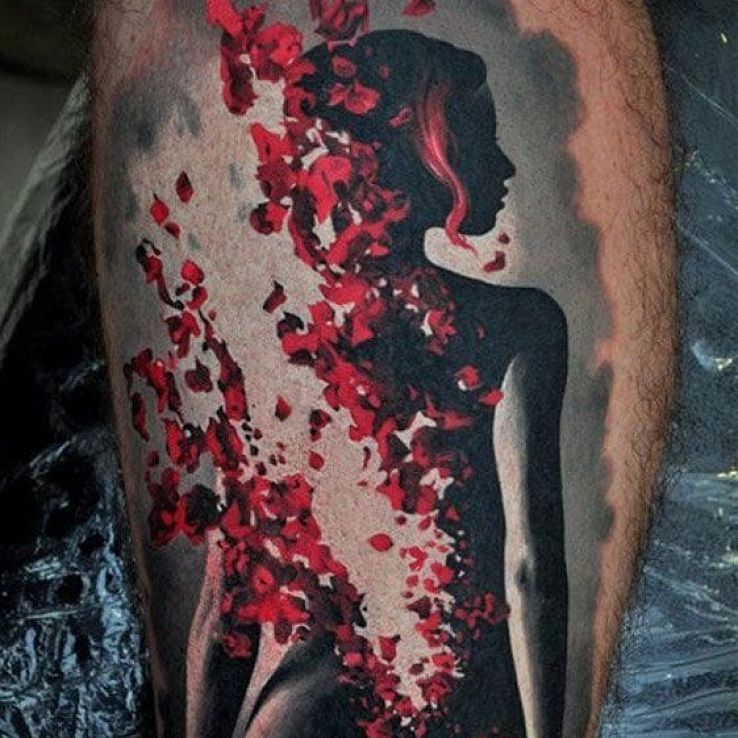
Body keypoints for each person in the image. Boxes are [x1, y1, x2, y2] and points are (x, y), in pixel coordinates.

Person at [92, 2, 675, 737]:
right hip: (460, 713)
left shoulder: (276, 343)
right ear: (427, 156)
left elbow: (225, 610)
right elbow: (529, 569)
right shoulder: (518, 328)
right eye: (479, 138)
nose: (503, 165)